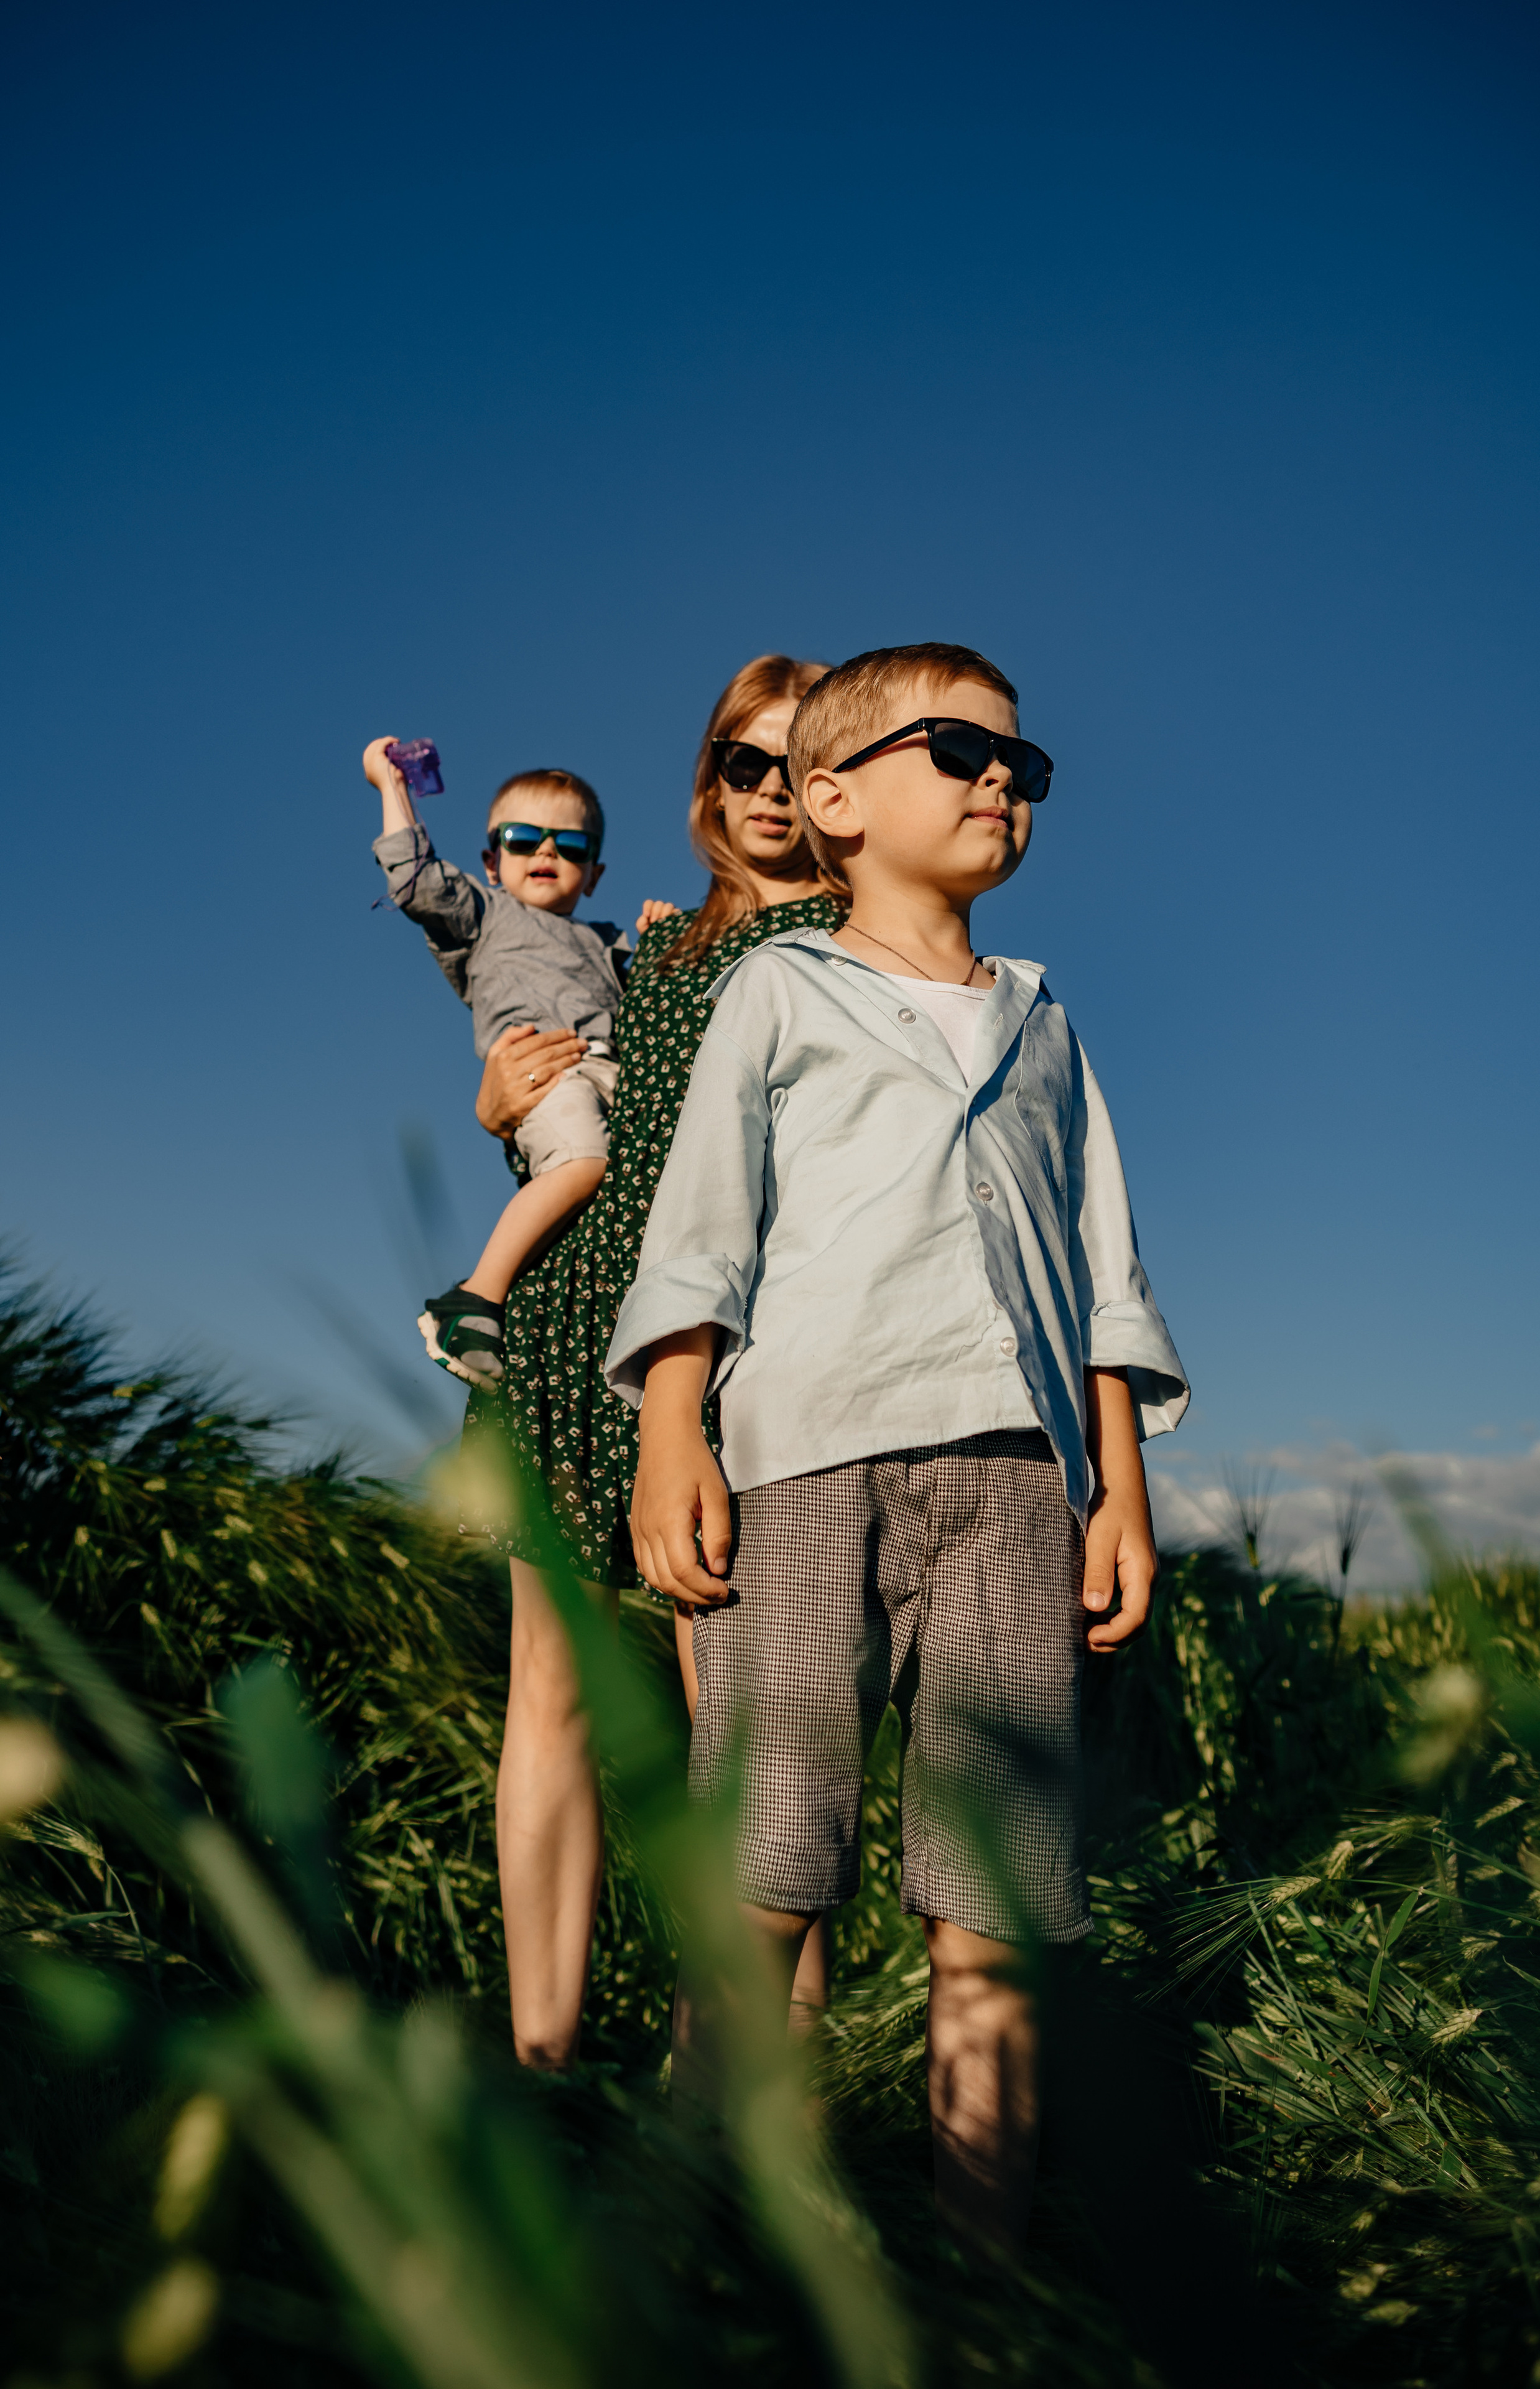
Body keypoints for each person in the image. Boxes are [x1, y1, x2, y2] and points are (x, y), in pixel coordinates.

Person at [608, 641, 1190, 2250]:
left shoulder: (1044, 1022)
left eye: (1023, 764)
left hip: (1015, 1479)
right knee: (767, 1864)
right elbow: (701, 1227)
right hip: (800, 1462)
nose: (1003, 778)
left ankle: (979, 2281)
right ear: (833, 798)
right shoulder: (776, 989)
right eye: (958, 750)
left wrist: (1116, 1490)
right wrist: (671, 1430)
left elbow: (1104, 1268)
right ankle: (686, 2246)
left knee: (994, 1900)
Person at [475, 656, 846, 2069]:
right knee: (551, 1692)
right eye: (744, 763)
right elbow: (585, 1121)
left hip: (740, 1356)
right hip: (574, 1324)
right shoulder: (652, 951)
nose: (769, 792)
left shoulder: (855, 944)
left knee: (747, 1723)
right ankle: (544, 2071)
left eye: (798, 764)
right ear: (709, 780)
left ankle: (749, 2098)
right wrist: (500, 1105)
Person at [364, 739, 671, 1389]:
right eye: (524, 839)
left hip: (616, 1077)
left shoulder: (607, 941)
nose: (547, 853)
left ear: (594, 874)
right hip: (549, 1074)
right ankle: (475, 1297)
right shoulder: (484, 913)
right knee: (583, 1162)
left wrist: (659, 938)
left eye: (571, 845)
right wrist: (391, 787)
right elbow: (414, 878)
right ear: (492, 862)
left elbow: (656, 1004)